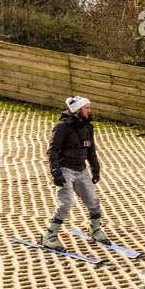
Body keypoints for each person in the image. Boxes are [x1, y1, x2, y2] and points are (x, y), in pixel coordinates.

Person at [38, 96, 109, 251]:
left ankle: (95, 230)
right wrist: (56, 171)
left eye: (89, 107)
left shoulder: (87, 126)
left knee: (93, 201)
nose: (89, 111)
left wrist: (95, 167)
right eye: (86, 108)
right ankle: (49, 236)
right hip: (65, 170)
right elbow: (52, 151)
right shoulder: (62, 127)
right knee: (67, 202)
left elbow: (91, 149)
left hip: (81, 170)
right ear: (77, 110)